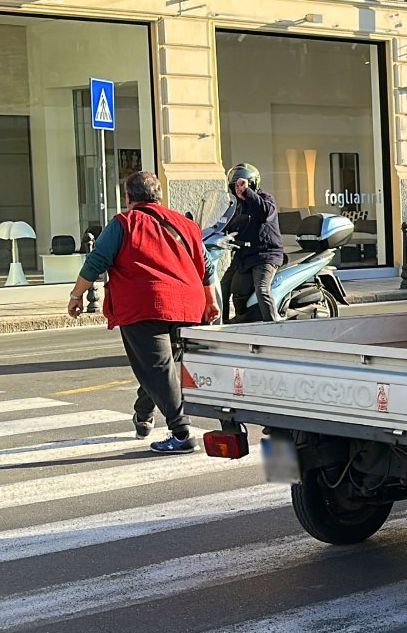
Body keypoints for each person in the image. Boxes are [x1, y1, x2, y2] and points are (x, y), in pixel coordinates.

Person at [68, 172, 218, 454]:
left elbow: (96, 261)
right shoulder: (185, 224)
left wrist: (77, 295)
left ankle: (182, 432)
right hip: (189, 304)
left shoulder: (123, 223)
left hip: (146, 304)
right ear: (159, 196)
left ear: (128, 198)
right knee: (159, 366)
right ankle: (144, 415)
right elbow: (206, 265)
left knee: (157, 367)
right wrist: (210, 300)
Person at [221, 164, 285, 323]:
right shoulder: (237, 207)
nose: (238, 189)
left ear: (252, 184)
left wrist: (248, 192)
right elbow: (225, 224)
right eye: (235, 186)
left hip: (265, 254)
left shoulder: (265, 199)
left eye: (241, 185)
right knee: (224, 284)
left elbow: (265, 213)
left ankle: (273, 326)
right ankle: (222, 323)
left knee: (261, 289)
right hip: (245, 255)